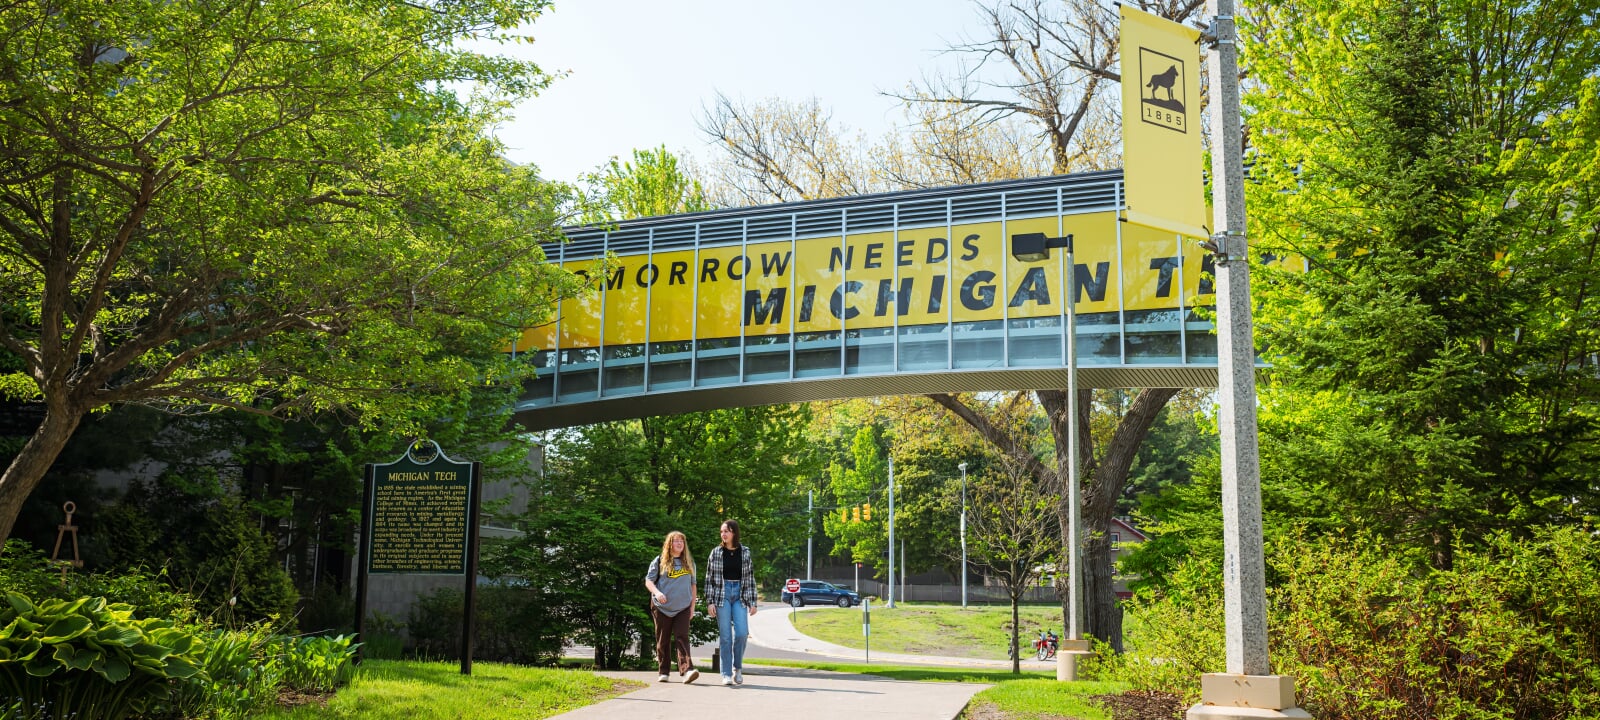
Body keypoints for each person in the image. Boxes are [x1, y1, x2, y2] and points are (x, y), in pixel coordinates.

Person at [705, 519, 757, 686]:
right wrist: (710, 602)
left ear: (734, 532)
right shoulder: (716, 553)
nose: (723, 534)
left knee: (742, 633)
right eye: (721, 532)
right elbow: (709, 579)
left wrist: (752, 601)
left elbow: (750, 578)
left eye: (726, 531)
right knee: (726, 636)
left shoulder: (745, 552)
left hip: (740, 594)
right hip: (722, 594)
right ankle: (726, 674)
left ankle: (738, 668)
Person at [645, 530, 700, 684]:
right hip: (662, 607)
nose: (679, 543)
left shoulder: (689, 563)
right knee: (663, 640)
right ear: (669, 544)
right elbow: (648, 581)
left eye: (682, 541)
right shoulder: (659, 561)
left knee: (682, 637)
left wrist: (692, 607)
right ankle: (664, 672)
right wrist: (657, 593)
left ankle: (688, 670)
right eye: (676, 541)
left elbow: (693, 585)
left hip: (683, 607)